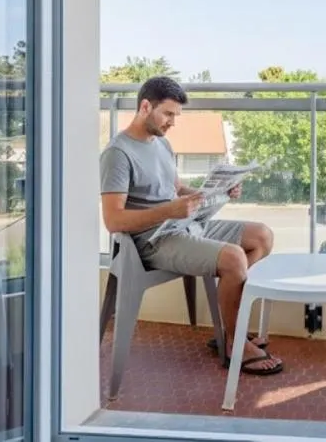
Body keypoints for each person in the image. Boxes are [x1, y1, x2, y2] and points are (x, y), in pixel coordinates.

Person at [99, 76, 283, 375]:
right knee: (234, 257)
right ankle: (235, 341)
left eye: (175, 116)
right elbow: (113, 220)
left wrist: (216, 191)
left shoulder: (162, 143)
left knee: (261, 236)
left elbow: (175, 188)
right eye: (168, 114)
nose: (172, 122)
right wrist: (168, 210)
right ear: (145, 107)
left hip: (183, 225)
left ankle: (226, 327)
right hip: (152, 241)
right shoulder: (117, 154)